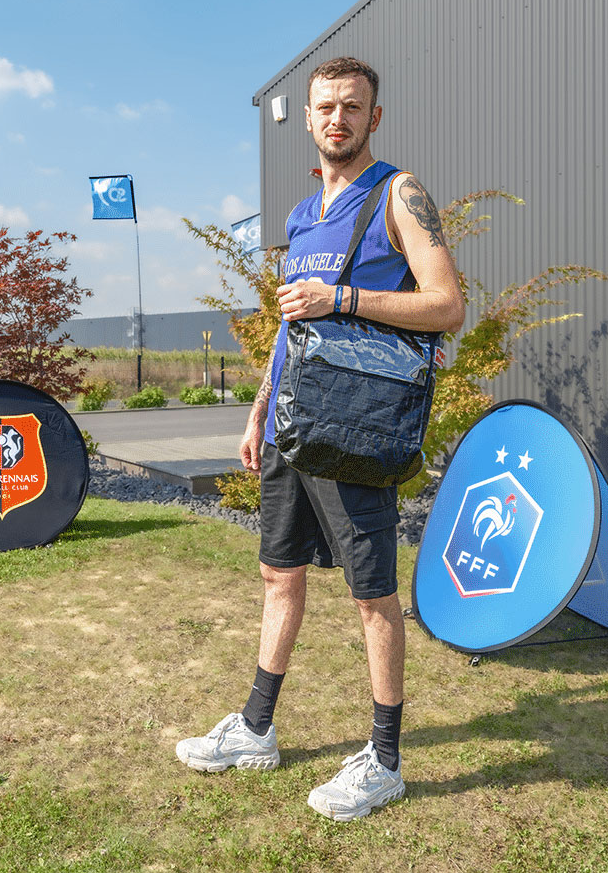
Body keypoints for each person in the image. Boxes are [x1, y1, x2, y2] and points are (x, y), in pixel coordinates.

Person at [176, 56, 465, 820]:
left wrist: (343, 296)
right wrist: (257, 410)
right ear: (307, 118)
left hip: (353, 430)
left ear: (375, 117)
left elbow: (447, 305)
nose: (338, 118)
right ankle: (256, 729)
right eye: (326, 106)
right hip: (288, 424)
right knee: (279, 576)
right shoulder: (303, 216)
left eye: (352, 106)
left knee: (373, 596)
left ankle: (385, 760)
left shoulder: (398, 192)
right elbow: (290, 328)